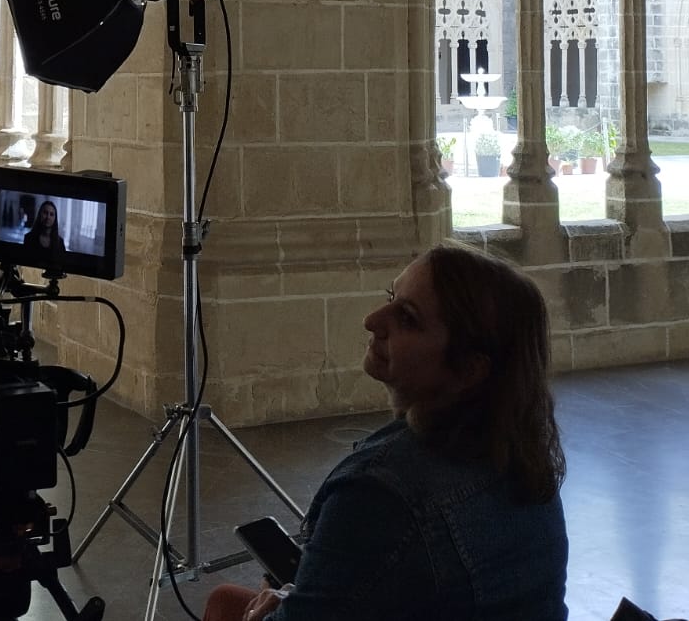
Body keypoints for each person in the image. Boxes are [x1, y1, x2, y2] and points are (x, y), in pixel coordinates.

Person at [204, 241, 568, 621]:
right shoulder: (525, 456)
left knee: (230, 608)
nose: (373, 320)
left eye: (407, 318)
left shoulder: (378, 492)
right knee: (225, 599)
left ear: (468, 369)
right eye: (391, 296)